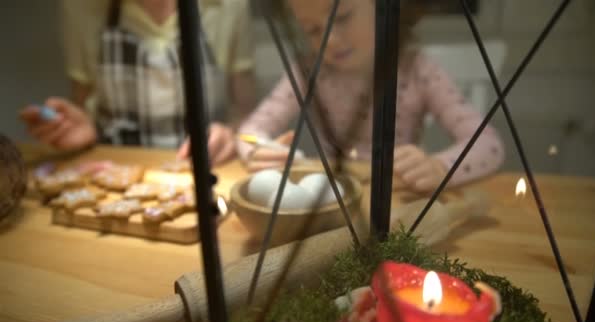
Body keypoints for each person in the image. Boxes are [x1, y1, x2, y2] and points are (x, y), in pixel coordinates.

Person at [238, 0, 504, 192]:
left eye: (341, 17)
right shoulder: (308, 71)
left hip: (398, 200)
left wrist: (440, 168)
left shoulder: (416, 69)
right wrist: (258, 150)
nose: (329, 39)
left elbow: (488, 145)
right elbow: (249, 131)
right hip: (333, 201)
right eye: (312, 30)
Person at [20, 0, 256, 166]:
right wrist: (81, 129)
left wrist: (232, 134)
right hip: (115, 167)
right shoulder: (82, 7)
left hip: (207, 169)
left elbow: (246, 115)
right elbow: (82, 105)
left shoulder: (229, 5)